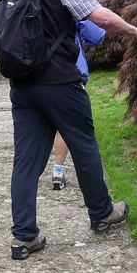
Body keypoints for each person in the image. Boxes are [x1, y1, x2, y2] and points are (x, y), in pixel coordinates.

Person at [6, 0, 137, 260]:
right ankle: (102, 214)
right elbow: (98, 17)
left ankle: (23, 237)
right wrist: (132, 30)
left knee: (26, 161)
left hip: (22, 84)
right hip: (60, 83)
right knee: (84, 145)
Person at [52, 17, 105, 189]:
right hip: (69, 74)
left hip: (35, 74)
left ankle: (26, 183)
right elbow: (96, 35)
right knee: (69, 127)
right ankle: (58, 173)